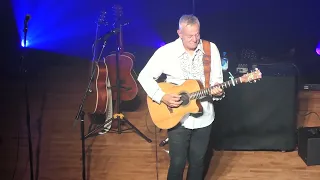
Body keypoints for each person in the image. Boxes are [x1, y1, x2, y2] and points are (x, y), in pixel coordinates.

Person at [137, 14, 225, 180]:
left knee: (198, 161)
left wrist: (218, 91)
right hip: (176, 116)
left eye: (197, 34)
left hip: (204, 116)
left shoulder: (210, 49)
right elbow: (144, 76)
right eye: (190, 36)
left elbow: (217, 81)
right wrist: (162, 96)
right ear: (179, 33)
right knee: (177, 162)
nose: (195, 39)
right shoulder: (166, 52)